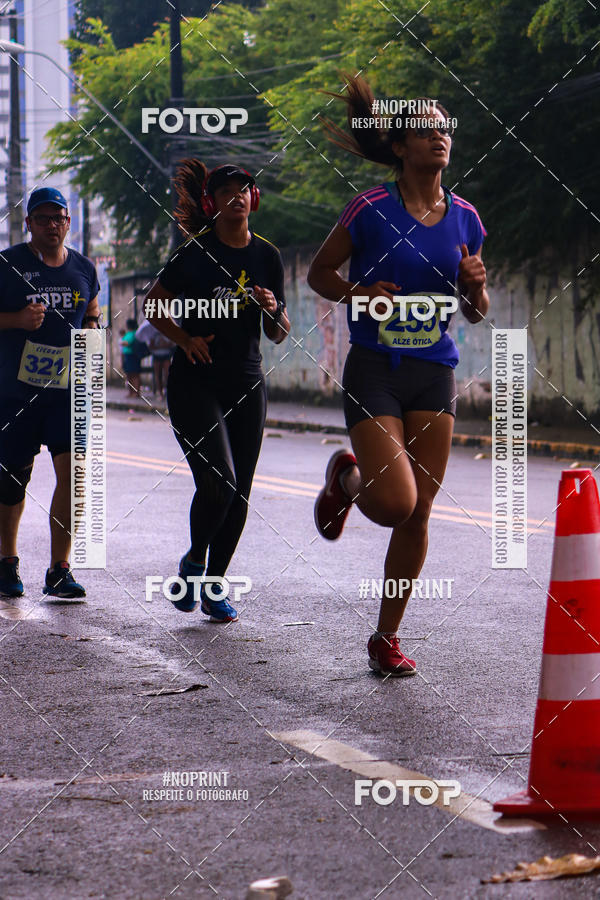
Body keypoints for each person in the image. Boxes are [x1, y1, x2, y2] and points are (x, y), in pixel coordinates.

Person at [309, 79, 489, 676]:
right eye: (428, 129)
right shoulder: (370, 208)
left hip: (434, 370)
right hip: (375, 370)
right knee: (393, 503)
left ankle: (385, 638)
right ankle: (349, 477)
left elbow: (474, 312)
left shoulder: (465, 218)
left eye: (446, 129)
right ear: (401, 145)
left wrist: (477, 287)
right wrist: (362, 292)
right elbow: (319, 275)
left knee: (419, 513)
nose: (441, 137)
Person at [144, 160, 290, 621]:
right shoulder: (194, 254)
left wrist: (272, 308)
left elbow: (280, 333)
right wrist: (184, 339)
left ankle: (213, 585)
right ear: (213, 202)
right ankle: (193, 562)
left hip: (247, 383)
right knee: (219, 480)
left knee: (239, 491)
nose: (236, 196)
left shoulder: (267, 256)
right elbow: (153, 304)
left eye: (243, 189)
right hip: (195, 383)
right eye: (225, 190)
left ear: (254, 198)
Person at [0, 187, 101, 598]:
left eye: (58, 218)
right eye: (42, 219)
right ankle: (6, 563)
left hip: (67, 393)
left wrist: (92, 342)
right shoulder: (7, 264)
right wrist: (17, 319)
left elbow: (92, 314)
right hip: (15, 392)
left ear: (68, 222)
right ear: (29, 224)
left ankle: (60, 569)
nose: (51, 225)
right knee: (11, 482)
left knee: (74, 477)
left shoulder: (84, 268)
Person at [120, 317, 143, 398]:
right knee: (129, 375)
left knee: (134, 374)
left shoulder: (134, 333)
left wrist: (122, 342)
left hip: (133, 356)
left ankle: (136, 392)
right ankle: (131, 392)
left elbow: (127, 343)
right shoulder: (128, 333)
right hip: (127, 355)